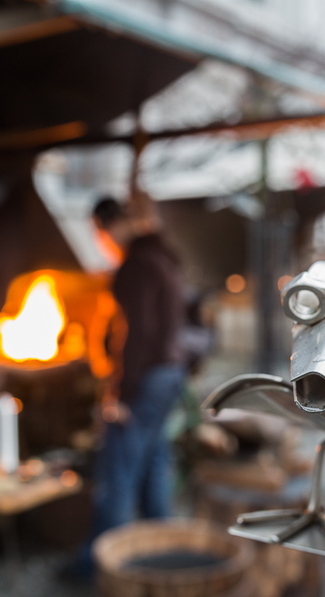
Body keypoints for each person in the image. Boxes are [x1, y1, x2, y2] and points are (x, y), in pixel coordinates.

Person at [72, 196, 186, 578]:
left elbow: (136, 334)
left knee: (117, 474)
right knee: (153, 465)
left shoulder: (135, 266)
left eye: (101, 234)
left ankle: (99, 568)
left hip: (146, 378)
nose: (104, 242)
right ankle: (162, 559)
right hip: (170, 373)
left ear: (111, 226)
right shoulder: (165, 258)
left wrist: (119, 393)